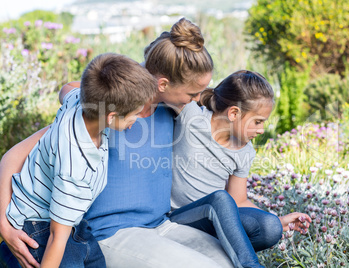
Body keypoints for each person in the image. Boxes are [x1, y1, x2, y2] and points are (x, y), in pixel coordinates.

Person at [0, 18, 234, 268]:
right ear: (163, 83)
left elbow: (225, 125)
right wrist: (4, 225)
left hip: (161, 225)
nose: (197, 99)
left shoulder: (175, 108)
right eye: (192, 93)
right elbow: (15, 156)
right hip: (107, 233)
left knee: (228, 262)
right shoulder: (105, 113)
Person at [1, 53, 157, 268]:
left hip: (69, 221)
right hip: (40, 230)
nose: (137, 119)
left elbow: (66, 87)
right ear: (111, 117)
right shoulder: (76, 168)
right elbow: (57, 238)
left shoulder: (78, 101)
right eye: (135, 114)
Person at [169, 70, 312, 267]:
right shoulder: (192, 117)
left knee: (271, 226)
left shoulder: (245, 151)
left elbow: (238, 199)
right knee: (218, 199)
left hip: (215, 224)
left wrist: (278, 219)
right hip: (180, 217)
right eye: (258, 121)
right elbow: (169, 84)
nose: (261, 130)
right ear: (234, 113)